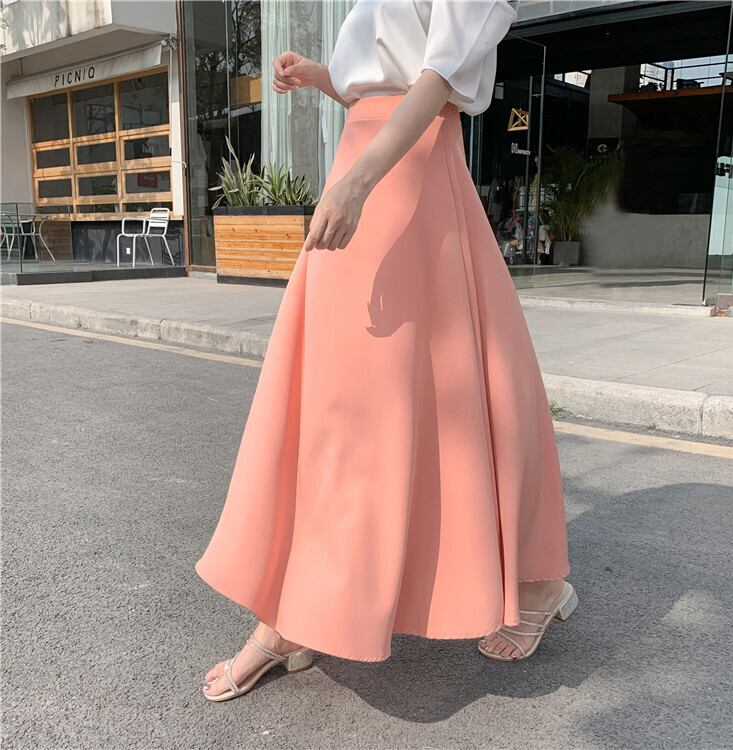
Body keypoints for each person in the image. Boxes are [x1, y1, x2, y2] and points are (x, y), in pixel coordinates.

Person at [197, 0, 575, 703]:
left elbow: (439, 77)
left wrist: (360, 181)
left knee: (457, 387)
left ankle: (538, 583)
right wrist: (323, 76)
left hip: (409, 177)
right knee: (333, 401)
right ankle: (294, 612)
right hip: (363, 165)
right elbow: (379, 78)